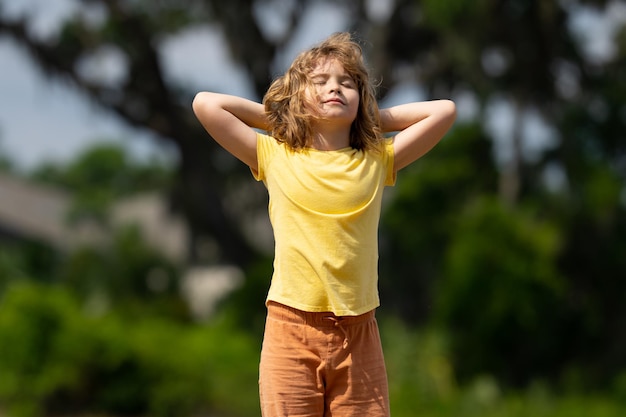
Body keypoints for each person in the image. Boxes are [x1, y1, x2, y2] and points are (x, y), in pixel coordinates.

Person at [192, 32, 456, 417]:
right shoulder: (276, 154)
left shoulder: (376, 159)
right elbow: (206, 104)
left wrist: (366, 120)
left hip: (359, 331)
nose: (335, 88)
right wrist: (289, 116)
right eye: (320, 83)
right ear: (300, 96)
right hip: (291, 327)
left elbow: (444, 111)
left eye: (347, 83)